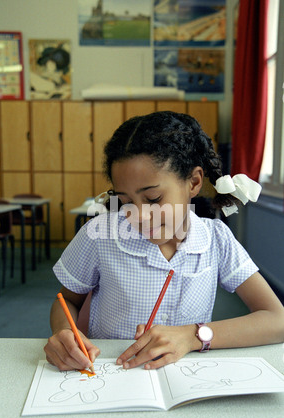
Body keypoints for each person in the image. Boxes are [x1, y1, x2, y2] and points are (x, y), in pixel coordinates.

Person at [44, 111, 284, 372]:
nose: (140, 215)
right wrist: (64, 332)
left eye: (154, 198)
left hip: (186, 377)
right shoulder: (99, 235)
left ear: (193, 183)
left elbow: (277, 320)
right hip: (114, 374)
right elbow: (65, 301)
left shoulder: (216, 239)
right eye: (125, 202)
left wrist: (193, 335)